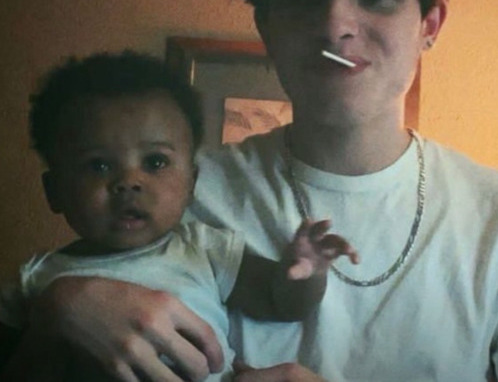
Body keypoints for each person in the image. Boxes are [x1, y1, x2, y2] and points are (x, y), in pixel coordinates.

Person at [4, 0, 498, 382]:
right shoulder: (169, 192)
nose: (335, 25)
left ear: (430, 23)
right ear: (266, 27)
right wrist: (58, 311)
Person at [0, 51, 357, 381]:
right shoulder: (35, 280)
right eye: (99, 165)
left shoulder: (202, 248)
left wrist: (306, 272)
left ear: (192, 183)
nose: (128, 182)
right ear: (54, 191)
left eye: (155, 161)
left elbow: (279, 302)